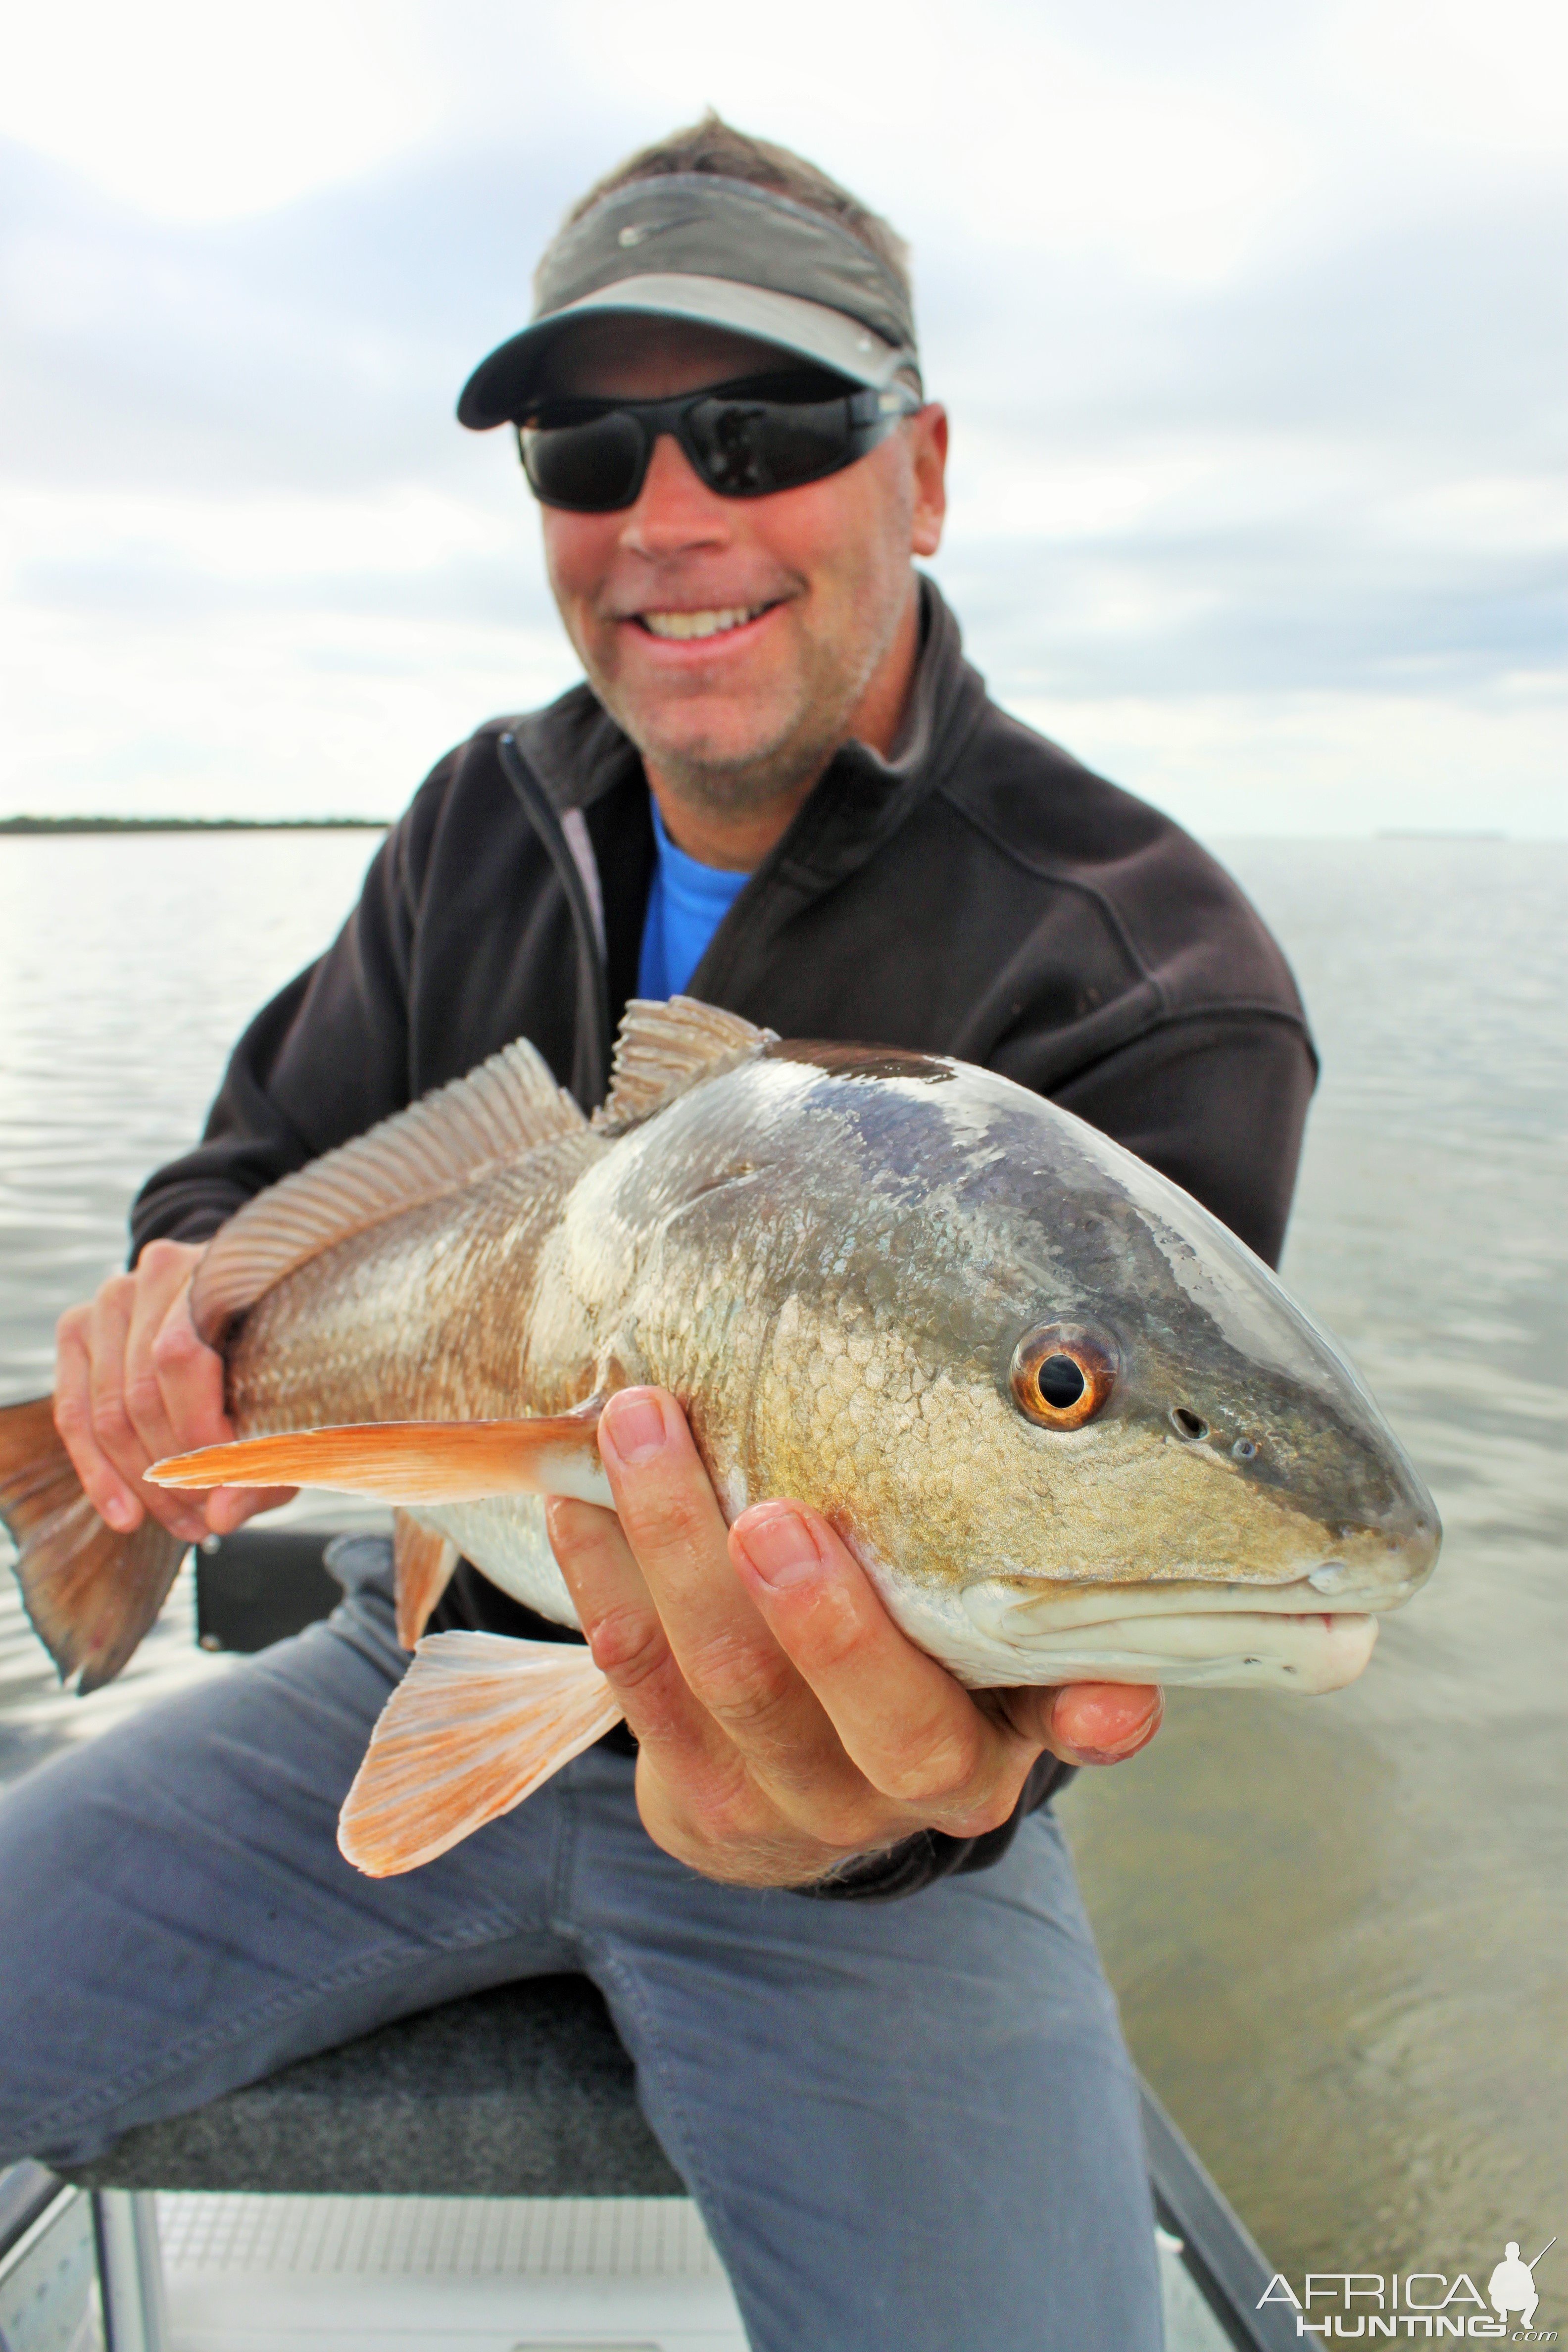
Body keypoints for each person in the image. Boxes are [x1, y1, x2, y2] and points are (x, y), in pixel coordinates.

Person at [0, 117, 1316, 2351]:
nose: (667, 512)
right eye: (585, 449)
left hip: (871, 1849)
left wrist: (895, 1812)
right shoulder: (479, 818)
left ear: (923, 467)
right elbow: (246, 1169)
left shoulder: (1148, 977)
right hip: (386, 1670)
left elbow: (1054, 1609)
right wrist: (163, 1323)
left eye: (769, 422)